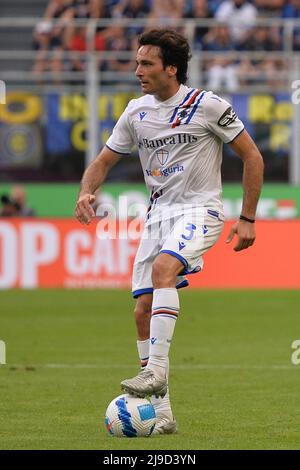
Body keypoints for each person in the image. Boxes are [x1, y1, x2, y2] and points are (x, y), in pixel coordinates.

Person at [75, 28, 264, 434]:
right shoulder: (136, 112)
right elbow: (104, 161)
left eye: (147, 63)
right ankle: (162, 413)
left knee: (164, 269)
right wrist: (86, 192)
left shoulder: (207, 105)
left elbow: (252, 155)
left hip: (201, 210)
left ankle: (156, 372)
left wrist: (247, 217)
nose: (137, 71)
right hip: (157, 217)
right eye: (137, 62)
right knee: (142, 310)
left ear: (171, 69)